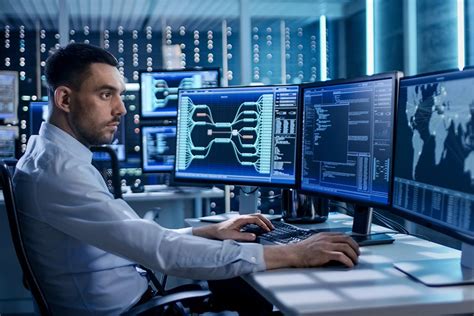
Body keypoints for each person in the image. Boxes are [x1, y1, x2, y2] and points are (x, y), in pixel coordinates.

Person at [13, 43, 359, 315]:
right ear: (65, 99)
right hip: (135, 310)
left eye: (119, 94)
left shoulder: (50, 158)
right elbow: (159, 251)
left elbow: (133, 238)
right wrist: (295, 254)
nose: (121, 108)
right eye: (106, 94)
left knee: (246, 287)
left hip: (138, 298)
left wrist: (207, 231)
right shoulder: (60, 174)